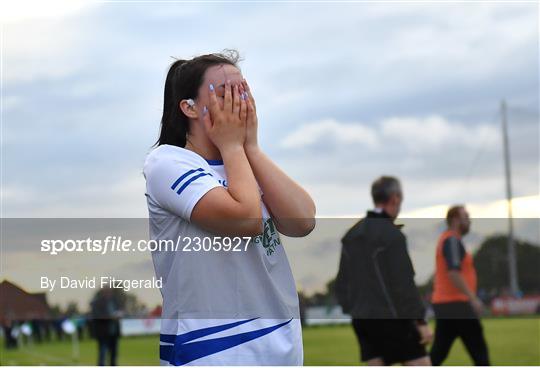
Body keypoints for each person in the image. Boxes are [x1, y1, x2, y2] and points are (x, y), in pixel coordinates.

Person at [144, 51, 316, 365]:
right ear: (189, 107)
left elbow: (302, 221)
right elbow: (246, 219)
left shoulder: (242, 163)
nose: (240, 101)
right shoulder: (167, 163)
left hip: (280, 345)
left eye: (244, 91)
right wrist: (234, 146)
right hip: (213, 350)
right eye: (226, 92)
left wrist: (250, 146)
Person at [335, 176, 432, 366]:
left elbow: (342, 283)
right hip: (393, 319)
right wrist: (420, 321)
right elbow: (404, 283)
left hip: (362, 321)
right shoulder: (392, 235)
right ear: (395, 198)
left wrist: (353, 309)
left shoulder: (351, 235)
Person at [430, 205, 490, 366]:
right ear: (455, 220)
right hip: (457, 304)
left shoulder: (448, 239)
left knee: (438, 353)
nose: (469, 221)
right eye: (466, 217)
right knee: (480, 354)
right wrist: (473, 299)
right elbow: (454, 273)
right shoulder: (452, 240)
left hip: (446, 304)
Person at [90, 288, 122, 366]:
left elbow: (119, 311)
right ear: (103, 292)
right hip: (103, 332)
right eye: (107, 291)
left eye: (110, 291)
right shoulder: (97, 303)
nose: (108, 293)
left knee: (114, 353)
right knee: (102, 352)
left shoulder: (114, 302)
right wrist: (110, 317)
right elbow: (97, 315)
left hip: (114, 332)